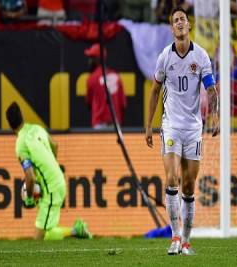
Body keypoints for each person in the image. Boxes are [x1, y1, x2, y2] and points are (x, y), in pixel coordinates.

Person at [145, 7, 219, 255]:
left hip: (193, 128)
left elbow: (210, 89)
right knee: (172, 178)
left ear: (189, 26)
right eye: (175, 20)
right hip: (171, 126)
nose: (179, 23)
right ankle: (174, 237)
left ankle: (186, 241)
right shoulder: (165, 57)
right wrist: (149, 125)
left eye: (182, 20)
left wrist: (215, 115)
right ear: (171, 28)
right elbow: (155, 90)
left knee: (188, 185)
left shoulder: (202, 56)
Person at [6, 102, 92, 240]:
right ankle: (77, 230)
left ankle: (77, 230)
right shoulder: (37, 128)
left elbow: (30, 177)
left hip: (51, 187)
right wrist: (50, 167)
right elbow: (55, 145)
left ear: (9, 125)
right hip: (56, 181)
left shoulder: (20, 144)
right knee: (46, 233)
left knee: (40, 237)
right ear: (22, 116)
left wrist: (28, 198)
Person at [85, 43, 127, 130]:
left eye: (92, 57)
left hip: (99, 125)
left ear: (98, 59)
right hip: (115, 125)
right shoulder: (116, 76)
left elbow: (88, 104)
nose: (90, 60)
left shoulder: (92, 78)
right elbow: (123, 104)